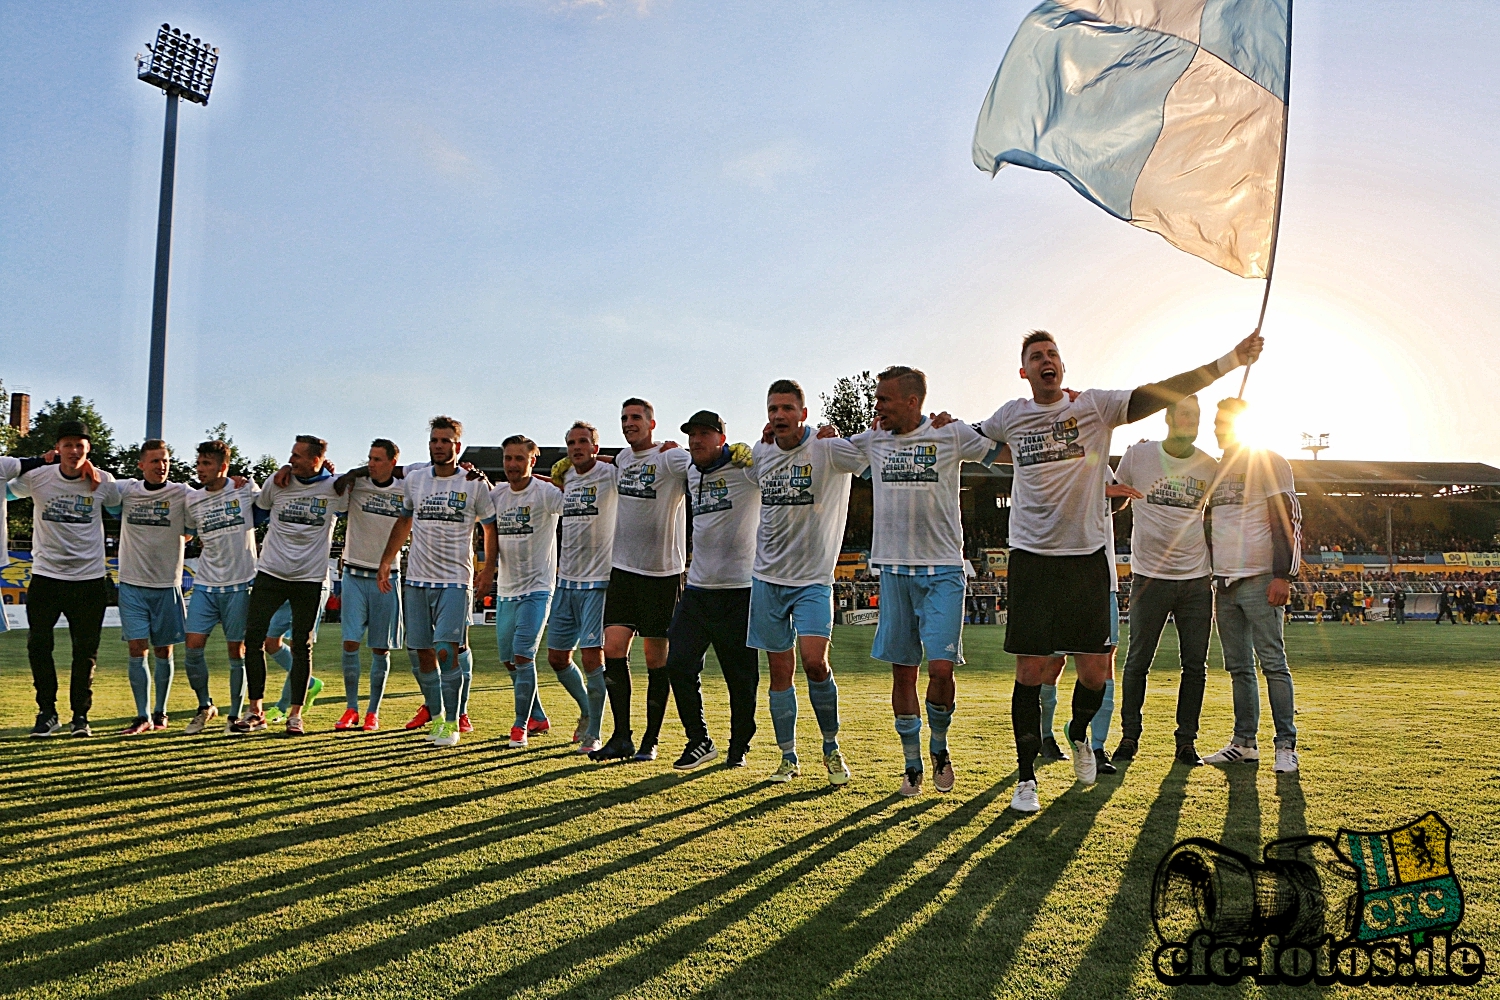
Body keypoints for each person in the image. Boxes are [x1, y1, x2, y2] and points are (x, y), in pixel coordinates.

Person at [975, 329, 1262, 813]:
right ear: (1024, 372)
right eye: (1035, 357)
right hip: (1030, 558)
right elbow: (968, 441)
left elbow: (1164, 388)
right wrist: (932, 424)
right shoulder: (1011, 416)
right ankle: (1026, 780)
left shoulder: (1094, 407)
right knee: (1029, 670)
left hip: (1086, 560)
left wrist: (1229, 360)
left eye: (1053, 354)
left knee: (1094, 674)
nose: (1046, 361)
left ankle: (1079, 734)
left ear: (1062, 367)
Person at [846, 366, 1000, 797]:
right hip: (894, 569)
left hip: (944, 570)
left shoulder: (950, 434)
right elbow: (829, 457)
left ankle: (939, 745)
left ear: (913, 402)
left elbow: (1002, 451)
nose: (877, 407)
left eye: (885, 400)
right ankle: (912, 764)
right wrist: (813, 435)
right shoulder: (873, 440)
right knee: (903, 672)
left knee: (941, 669)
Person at [747, 380, 869, 781]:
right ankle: (787, 757)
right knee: (780, 673)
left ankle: (831, 748)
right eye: (772, 409)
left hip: (814, 580)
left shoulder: (828, 448)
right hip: (767, 578)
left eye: (786, 408)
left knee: (815, 664)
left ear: (803, 412)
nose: (778, 415)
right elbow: (723, 469)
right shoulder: (760, 453)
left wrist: (845, 433)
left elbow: (874, 452)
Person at [1110, 395, 1218, 767]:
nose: (1192, 421)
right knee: (1137, 661)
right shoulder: (1138, 456)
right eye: (1185, 414)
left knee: (1195, 666)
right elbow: (1114, 499)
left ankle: (1186, 741)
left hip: (1196, 580)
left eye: (1197, 416)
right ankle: (1128, 737)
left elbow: (1225, 515)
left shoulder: (1210, 465)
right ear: (1168, 418)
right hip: (1149, 578)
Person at [377, 416, 497, 748]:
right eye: (434, 440)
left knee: (447, 651)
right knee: (419, 653)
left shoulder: (474, 483)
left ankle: (450, 722)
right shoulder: (415, 480)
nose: (439, 446)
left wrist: (488, 569)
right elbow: (404, 520)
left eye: (445, 441)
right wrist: (387, 560)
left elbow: (489, 527)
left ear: (457, 446)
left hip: (455, 580)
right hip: (416, 579)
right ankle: (438, 711)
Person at [1200, 398, 1303, 774]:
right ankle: (1244, 742)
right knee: (1239, 667)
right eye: (1215, 424)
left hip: (1261, 579)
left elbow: (1288, 517)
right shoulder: (1219, 469)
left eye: (1224, 422)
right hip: (1224, 582)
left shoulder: (1268, 461)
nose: (1217, 429)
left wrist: (1283, 574)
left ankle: (1285, 744)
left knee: (1273, 664)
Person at [593, 398, 694, 763]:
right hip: (623, 570)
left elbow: (700, 465)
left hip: (662, 574)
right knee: (613, 648)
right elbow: (597, 464)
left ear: (652, 423)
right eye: (624, 418)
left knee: (656, 660)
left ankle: (651, 740)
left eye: (636, 417)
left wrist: (683, 448)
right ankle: (622, 736)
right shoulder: (621, 458)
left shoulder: (669, 457)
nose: (628, 423)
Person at [664, 410, 763, 771]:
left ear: (722, 438)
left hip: (739, 590)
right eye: (692, 434)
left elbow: (774, 461)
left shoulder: (744, 467)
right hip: (698, 590)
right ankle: (699, 739)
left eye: (705, 434)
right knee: (677, 663)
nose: (696, 440)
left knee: (741, 676)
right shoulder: (690, 471)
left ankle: (739, 747)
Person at [233, 435, 349, 736]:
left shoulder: (335, 489)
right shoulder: (278, 480)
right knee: (254, 640)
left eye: (298, 455)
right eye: (291, 455)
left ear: (316, 459)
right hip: (270, 573)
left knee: (302, 646)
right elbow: (259, 508)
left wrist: (342, 474)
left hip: (308, 579)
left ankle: (296, 715)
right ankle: (255, 710)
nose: (291, 459)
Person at [9, 420, 113, 737]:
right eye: (67, 444)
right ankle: (47, 713)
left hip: (90, 580)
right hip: (46, 577)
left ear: (88, 449)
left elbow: (126, 508)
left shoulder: (103, 482)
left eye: (80, 445)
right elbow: (7, 493)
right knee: (39, 646)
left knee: (86, 651)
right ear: (58, 448)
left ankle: (80, 717)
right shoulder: (37, 477)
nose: (73, 450)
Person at [489, 434, 591, 749]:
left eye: (520, 458)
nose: (513, 465)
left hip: (538, 588)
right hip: (506, 590)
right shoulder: (497, 495)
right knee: (509, 660)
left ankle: (579, 715)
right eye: (508, 458)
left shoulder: (545, 493)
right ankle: (537, 716)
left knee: (523, 655)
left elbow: (576, 499)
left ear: (533, 461)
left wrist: (554, 479)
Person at [548, 421, 619, 754]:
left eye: (583, 442)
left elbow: (630, 465)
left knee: (593, 657)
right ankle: (587, 709)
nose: (576, 447)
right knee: (557, 658)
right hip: (565, 581)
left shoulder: (609, 474)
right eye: (571, 443)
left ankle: (593, 732)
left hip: (598, 582)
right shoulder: (568, 479)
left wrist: (606, 458)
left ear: (595, 446)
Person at [112, 439, 192, 735]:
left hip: (167, 584)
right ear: (141, 465)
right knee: (137, 649)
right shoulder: (127, 490)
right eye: (155, 461)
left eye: (166, 460)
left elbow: (206, 507)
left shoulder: (182, 492)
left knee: (163, 650)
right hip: (132, 584)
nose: (162, 466)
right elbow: (96, 481)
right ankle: (142, 715)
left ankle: (161, 711)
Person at [182, 440, 259, 734]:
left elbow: (269, 506)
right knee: (192, 648)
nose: (201, 470)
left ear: (223, 466)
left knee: (235, 652)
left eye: (207, 464)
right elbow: (187, 533)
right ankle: (205, 706)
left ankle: (234, 717)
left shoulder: (244, 489)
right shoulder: (193, 500)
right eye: (199, 464)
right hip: (205, 583)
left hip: (240, 584)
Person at [334, 439, 407, 732]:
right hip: (353, 573)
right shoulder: (356, 485)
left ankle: (372, 712)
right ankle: (351, 707)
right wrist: (348, 475)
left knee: (381, 648)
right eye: (369, 458)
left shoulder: (405, 488)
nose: (371, 464)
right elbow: (337, 500)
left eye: (378, 459)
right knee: (350, 642)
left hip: (387, 579)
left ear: (392, 462)